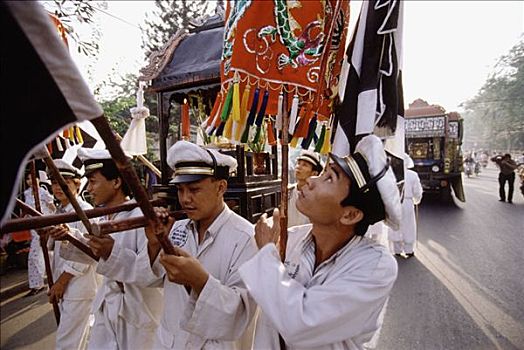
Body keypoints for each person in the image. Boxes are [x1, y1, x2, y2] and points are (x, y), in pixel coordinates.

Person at [238, 135, 402, 349]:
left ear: (350, 215)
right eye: (323, 173)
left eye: (329, 178)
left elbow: (302, 323)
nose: (312, 180)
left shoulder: (375, 266)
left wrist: (267, 255)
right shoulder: (292, 237)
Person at [145, 140, 258, 349]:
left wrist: (201, 282)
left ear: (221, 187)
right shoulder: (177, 229)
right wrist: (153, 246)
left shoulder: (245, 237)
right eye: (180, 190)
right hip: (170, 342)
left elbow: (241, 311)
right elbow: (154, 280)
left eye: (194, 189)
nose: (185, 199)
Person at [76, 148, 163, 350]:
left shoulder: (141, 217)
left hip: (137, 312)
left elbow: (151, 273)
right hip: (108, 307)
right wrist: (68, 239)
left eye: (93, 181)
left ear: (116, 182)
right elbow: (96, 258)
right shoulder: (104, 216)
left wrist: (111, 252)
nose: (89, 188)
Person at [41, 159, 99, 350]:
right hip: (66, 283)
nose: (58, 188)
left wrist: (61, 282)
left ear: (77, 183)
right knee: (79, 339)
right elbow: (54, 247)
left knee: (67, 343)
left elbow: (86, 254)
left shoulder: (85, 211)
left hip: (78, 285)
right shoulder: (59, 211)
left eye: (64, 182)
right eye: (55, 183)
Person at [22, 170, 55, 297]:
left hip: (46, 227)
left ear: (38, 179)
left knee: (48, 254)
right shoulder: (26, 193)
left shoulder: (43, 192)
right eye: (28, 179)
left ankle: (50, 279)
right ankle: (37, 284)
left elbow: (52, 207)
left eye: (33, 178)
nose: (30, 181)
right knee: (35, 256)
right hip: (34, 228)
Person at [388, 154, 423, 258]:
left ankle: (397, 250)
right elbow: (417, 191)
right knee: (409, 225)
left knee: (395, 224)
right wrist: (417, 199)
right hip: (407, 203)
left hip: (395, 202)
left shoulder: (391, 174)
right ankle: (409, 250)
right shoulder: (413, 175)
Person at [288, 150, 323, 227]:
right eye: (298, 163)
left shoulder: (317, 196)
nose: (298, 167)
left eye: (304, 165)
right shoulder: (288, 192)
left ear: (314, 173)